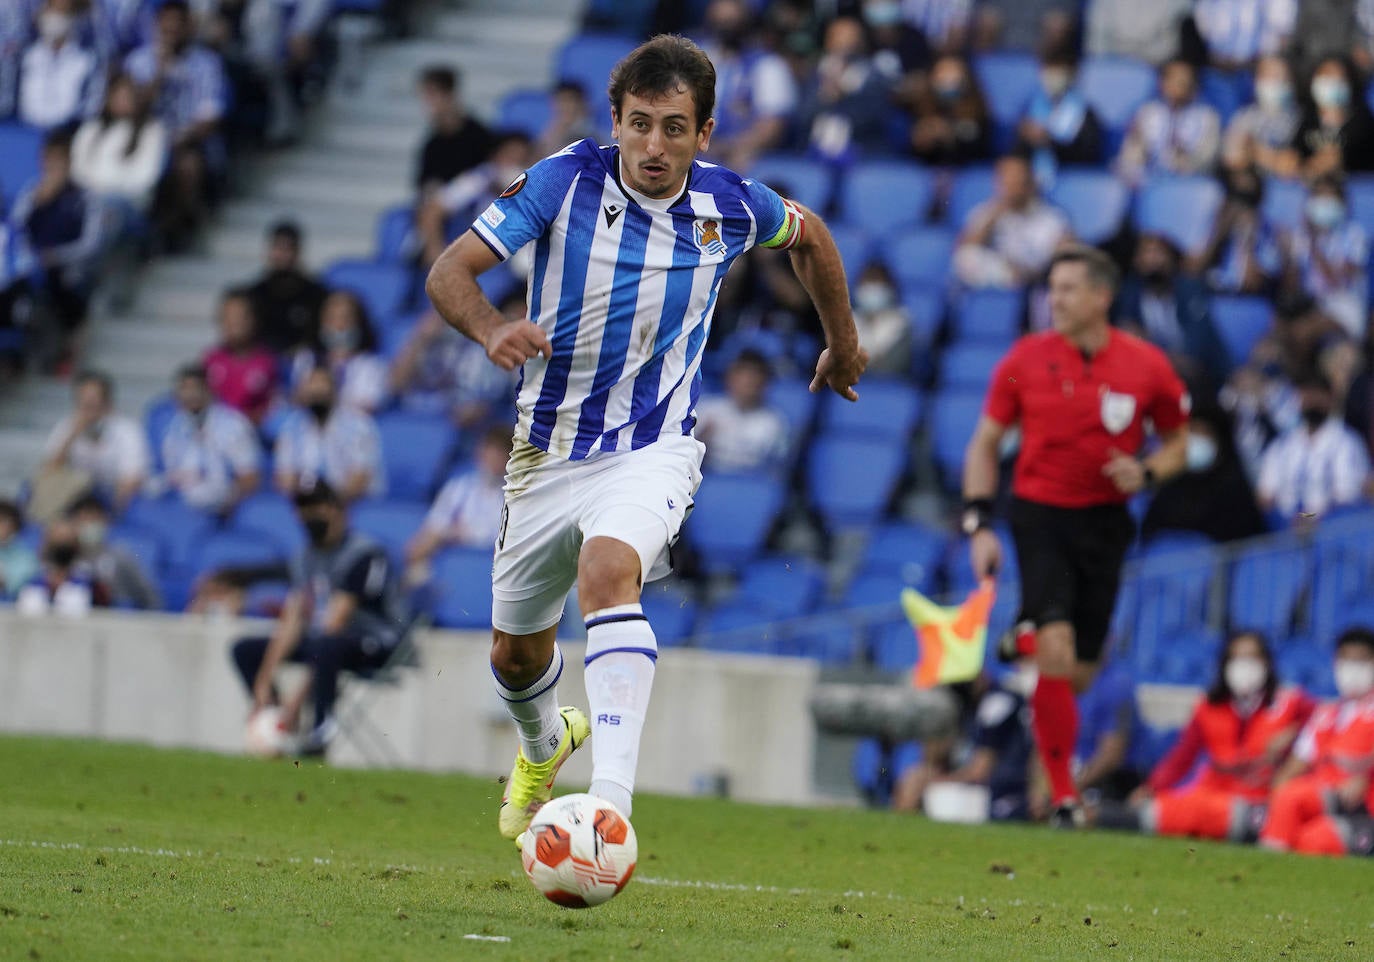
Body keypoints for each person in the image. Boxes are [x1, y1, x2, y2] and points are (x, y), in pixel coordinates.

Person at [424, 33, 866, 842]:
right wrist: (490, 329)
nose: (653, 146)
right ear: (615, 121)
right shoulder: (562, 181)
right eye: (639, 124)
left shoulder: (731, 204)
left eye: (673, 127)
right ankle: (545, 745)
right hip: (544, 452)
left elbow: (811, 238)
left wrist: (841, 340)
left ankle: (611, 805)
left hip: (651, 446)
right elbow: (448, 271)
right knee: (514, 658)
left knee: (607, 570)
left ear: (704, 133)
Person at [962, 245, 1190, 826]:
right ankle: (1062, 796)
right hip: (1039, 514)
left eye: (1067, 289)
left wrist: (1147, 472)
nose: (1054, 300)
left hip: (1107, 522)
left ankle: (1024, 639)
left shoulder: (1147, 366)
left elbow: (1179, 444)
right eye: (1051, 289)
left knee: (1080, 672)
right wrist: (979, 522)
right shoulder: (1025, 358)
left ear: (1100, 297)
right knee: (1059, 652)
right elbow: (985, 442)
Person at [230, 481, 410, 756]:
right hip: (327, 643)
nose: (309, 515)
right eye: (303, 508)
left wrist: (297, 703)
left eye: (316, 507)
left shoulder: (365, 554)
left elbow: (336, 622)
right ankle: (274, 719)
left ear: (337, 510)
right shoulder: (304, 557)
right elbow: (292, 620)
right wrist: (264, 681)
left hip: (376, 641)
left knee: (327, 645)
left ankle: (319, 731)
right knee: (245, 650)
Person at [1098, 631, 1313, 842]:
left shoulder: (1291, 704)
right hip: (1214, 792)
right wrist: (1152, 787)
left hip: (1260, 797)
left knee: (1221, 815)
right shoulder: (1209, 707)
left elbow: (1322, 731)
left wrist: (1294, 735)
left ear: (1266, 663)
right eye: (1236, 658)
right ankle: (1103, 817)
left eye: (1252, 658)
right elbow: (1181, 757)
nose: (1244, 666)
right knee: (1176, 806)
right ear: (1225, 664)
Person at [1259, 626, 1374, 855]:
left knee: (1314, 838)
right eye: (1346, 660)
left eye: (1361, 661)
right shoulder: (1326, 714)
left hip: (1363, 804)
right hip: (1328, 796)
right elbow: (1298, 762)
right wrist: (1278, 786)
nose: (1352, 669)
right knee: (1288, 799)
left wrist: (1366, 777)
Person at [10, 128, 109, 368]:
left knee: (61, 284)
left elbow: (91, 244)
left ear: (69, 162)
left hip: (70, 269)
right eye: (47, 159)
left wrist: (56, 256)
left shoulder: (85, 197)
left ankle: (60, 346)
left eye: (58, 159)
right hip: (32, 266)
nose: (52, 165)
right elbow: (13, 232)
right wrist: (38, 203)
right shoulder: (31, 193)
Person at [891, 660, 1036, 822]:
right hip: (981, 788)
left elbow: (980, 771)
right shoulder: (965, 704)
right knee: (914, 779)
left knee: (929, 790)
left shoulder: (997, 702)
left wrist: (935, 781)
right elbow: (935, 756)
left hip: (1006, 792)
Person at [1113, 232, 1229, 389]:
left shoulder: (1190, 289)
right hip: (1152, 370)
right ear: (1136, 260)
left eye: (1159, 252)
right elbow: (1126, 336)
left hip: (1197, 376)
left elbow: (1195, 354)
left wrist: (1152, 350)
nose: (1153, 259)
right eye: (1147, 252)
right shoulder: (1130, 293)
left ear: (1172, 259)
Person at [1141, 402, 1268, 544]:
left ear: (1220, 441)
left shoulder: (1235, 491)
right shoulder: (1171, 485)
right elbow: (1149, 535)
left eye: (1204, 433)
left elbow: (1244, 542)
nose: (1195, 440)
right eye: (1192, 432)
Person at [1256, 371, 1369, 525]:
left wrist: (1308, 517)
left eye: (1317, 396)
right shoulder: (1281, 446)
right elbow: (1266, 497)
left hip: (1332, 525)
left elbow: (1346, 497)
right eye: (1306, 396)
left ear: (1329, 398)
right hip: (1286, 528)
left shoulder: (1347, 442)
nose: (1311, 402)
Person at [1264, 173, 1369, 339]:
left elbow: (1336, 283)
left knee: (1302, 332)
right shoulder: (1299, 236)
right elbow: (1291, 290)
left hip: (1343, 309)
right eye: (1319, 196)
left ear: (1342, 203)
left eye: (1329, 197)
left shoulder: (1355, 236)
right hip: (1307, 307)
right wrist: (1287, 257)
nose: (1323, 203)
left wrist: (1313, 243)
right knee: (1275, 333)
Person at [404, 425, 511, 584]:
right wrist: (445, 535)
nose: (495, 458)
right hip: (453, 569)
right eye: (491, 450)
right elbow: (417, 548)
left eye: (501, 452)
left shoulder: (517, 498)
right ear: (480, 452)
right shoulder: (457, 489)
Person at [700, 0, 797, 171]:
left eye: (732, 23)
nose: (725, 30)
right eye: (719, 22)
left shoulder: (768, 65)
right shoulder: (699, 59)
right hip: (700, 151)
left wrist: (733, 147)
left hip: (744, 157)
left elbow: (772, 125)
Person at [953, 153, 1071, 290]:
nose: (1011, 185)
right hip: (998, 278)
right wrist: (992, 219)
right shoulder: (987, 211)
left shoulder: (1051, 217)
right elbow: (965, 248)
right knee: (966, 257)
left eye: (1017, 179)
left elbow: (1063, 253)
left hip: (1035, 280)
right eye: (1006, 179)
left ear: (1030, 182)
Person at [156, 363, 261, 515]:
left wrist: (228, 501)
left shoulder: (233, 424)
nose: (189, 394)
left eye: (195, 388)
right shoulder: (172, 428)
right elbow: (172, 473)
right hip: (181, 506)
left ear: (208, 389)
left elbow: (249, 477)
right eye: (184, 389)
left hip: (222, 505)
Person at [40, 369, 150, 513]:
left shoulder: (127, 430)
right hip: (76, 497)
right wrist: (72, 435)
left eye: (93, 401)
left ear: (107, 403)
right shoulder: (67, 426)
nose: (88, 407)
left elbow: (131, 479)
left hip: (112, 495)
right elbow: (49, 471)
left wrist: (112, 514)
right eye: (83, 401)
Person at [274, 365, 384, 503]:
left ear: (334, 392)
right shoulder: (291, 427)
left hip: (352, 504)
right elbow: (285, 479)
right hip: (306, 504)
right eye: (312, 391)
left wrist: (329, 505)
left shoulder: (359, 426)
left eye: (321, 391)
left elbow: (360, 478)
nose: (316, 392)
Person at [793, 15, 893, 164]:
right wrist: (824, 97)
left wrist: (844, 95)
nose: (845, 43)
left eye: (851, 38)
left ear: (861, 42)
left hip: (862, 150)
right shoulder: (814, 73)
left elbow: (877, 116)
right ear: (828, 41)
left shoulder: (874, 76)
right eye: (839, 37)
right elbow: (802, 116)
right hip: (814, 150)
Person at [71, 71, 168, 215]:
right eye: (117, 96)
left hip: (130, 203)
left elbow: (146, 177)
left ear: (136, 98)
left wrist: (108, 188)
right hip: (90, 198)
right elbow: (77, 170)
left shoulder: (152, 130)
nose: (122, 101)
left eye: (127, 96)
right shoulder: (91, 128)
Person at [1116, 58, 1221, 185]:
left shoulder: (1208, 118)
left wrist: (1185, 162)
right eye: (1173, 79)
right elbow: (1130, 155)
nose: (1179, 86)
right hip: (1147, 181)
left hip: (1188, 182)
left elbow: (1206, 161)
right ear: (1162, 83)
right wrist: (1136, 161)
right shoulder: (1147, 113)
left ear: (1194, 86)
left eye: (1184, 81)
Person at [693, 349, 792, 475]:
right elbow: (685, 458)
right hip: (708, 480)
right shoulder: (707, 411)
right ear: (730, 378)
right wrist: (701, 440)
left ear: (764, 383)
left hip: (754, 483)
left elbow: (779, 469)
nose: (748, 383)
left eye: (753, 379)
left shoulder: (774, 423)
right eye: (743, 377)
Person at [289, 290, 389, 414]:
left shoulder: (373, 367)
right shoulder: (306, 359)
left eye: (346, 318)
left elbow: (367, 408)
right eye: (331, 319)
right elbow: (297, 400)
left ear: (359, 323)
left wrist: (324, 398)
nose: (338, 326)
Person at [1015, 49, 1103, 186]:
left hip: (1072, 183)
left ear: (1071, 74)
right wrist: (1028, 139)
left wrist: (1049, 141)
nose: (1051, 76)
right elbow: (1015, 154)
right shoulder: (1030, 108)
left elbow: (1087, 156)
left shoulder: (1085, 113)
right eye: (1048, 69)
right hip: (1029, 182)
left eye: (1058, 70)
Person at [67, 492, 161, 609]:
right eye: (83, 520)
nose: (88, 525)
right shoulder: (66, 557)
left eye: (93, 519)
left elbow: (151, 597)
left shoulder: (121, 556)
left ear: (105, 521)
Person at [246, 221, 327, 356]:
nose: (283, 255)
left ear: (298, 251)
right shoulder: (255, 294)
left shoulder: (315, 294)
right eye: (278, 248)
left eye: (288, 248)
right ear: (269, 250)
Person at [18, 0, 102, 130]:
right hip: (24, 131)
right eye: (50, 10)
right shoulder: (28, 56)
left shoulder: (86, 61)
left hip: (67, 133)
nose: (53, 17)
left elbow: (91, 105)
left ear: (73, 17)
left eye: (61, 12)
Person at [414, 65, 495, 195]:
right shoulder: (432, 144)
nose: (427, 103)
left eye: (432, 95)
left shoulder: (480, 137)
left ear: (450, 94)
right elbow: (423, 185)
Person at [203, 288, 278, 426]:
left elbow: (277, 407)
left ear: (254, 319)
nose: (234, 323)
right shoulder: (210, 360)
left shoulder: (270, 362)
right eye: (227, 317)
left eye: (240, 316)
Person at [1221, 55, 1301, 181]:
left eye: (1280, 76)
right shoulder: (1245, 116)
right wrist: (1271, 158)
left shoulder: (1301, 118)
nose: (1274, 82)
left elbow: (1290, 166)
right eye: (1268, 76)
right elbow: (1232, 159)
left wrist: (1255, 151)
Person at [1292, 56, 1374, 178]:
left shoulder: (1363, 122)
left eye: (1340, 78)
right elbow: (1293, 156)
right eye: (1327, 75)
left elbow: (1341, 157)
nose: (1333, 83)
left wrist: (1320, 165)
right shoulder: (1305, 120)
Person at [908, 53, 992, 169]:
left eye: (953, 72)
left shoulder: (977, 109)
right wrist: (923, 140)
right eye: (942, 72)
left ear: (965, 77)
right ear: (932, 77)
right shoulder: (919, 107)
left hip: (969, 171)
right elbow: (909, 151)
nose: (947, 79)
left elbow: (981, 148)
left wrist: (950, 135)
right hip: (924, 170)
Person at [0, 500, 39, 601]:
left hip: (12, 605)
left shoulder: (25, 556)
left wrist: (4, 581)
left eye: (3, 521)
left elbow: (20, 584)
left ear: (14, 526)